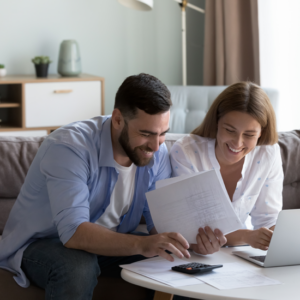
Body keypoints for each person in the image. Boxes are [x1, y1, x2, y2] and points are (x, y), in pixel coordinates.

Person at [0, 73, 225, 300]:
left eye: (162, 134)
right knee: (78, 267)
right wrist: (141, 244)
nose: (156, 146)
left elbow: (160, 225)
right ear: (118, 119)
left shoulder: (157, 153)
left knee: (184, 267)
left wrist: (193, 243)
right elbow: (73, 233)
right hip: (44, 244)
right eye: (146, 134)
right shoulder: (69, 148)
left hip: (112, 244)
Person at [170, 82, 283, 252]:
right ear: (216, 122)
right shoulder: (186, 152)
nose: (237, 143)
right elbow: (192, 229)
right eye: (230, 130)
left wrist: (274, 239)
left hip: (237, 255)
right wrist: (247, 236)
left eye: (249, 135)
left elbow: (268, 221)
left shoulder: (268, 153)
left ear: (261, 133)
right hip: (194, 256)